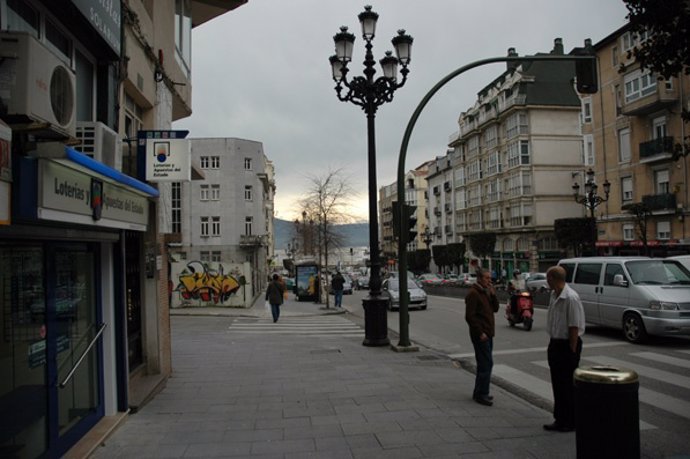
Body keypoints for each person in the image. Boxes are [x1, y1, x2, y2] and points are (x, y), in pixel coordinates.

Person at [543, 265, 585, 432]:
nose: (546, 281)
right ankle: (560, 418)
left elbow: (574, 326)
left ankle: (570, 420)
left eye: (548, 278)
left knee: (567, 385)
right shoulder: (554, 295)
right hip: (555, 342)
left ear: (553, 278)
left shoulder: (571, 298)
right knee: (557, 384)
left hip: (567, 344)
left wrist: (572, 351)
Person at [464, 268, 500, 406]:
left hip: (488, 333)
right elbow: (470, 316)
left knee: (485, 363)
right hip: (481, 335)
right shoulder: (474, 293)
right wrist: (480, 332)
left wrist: (493, 295)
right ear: (479, 278)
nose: (489, 281)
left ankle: (480, 391)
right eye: (486, 278)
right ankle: (482, 394)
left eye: (490, 278)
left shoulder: (486, 292)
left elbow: (495, 309)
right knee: (486, 363)